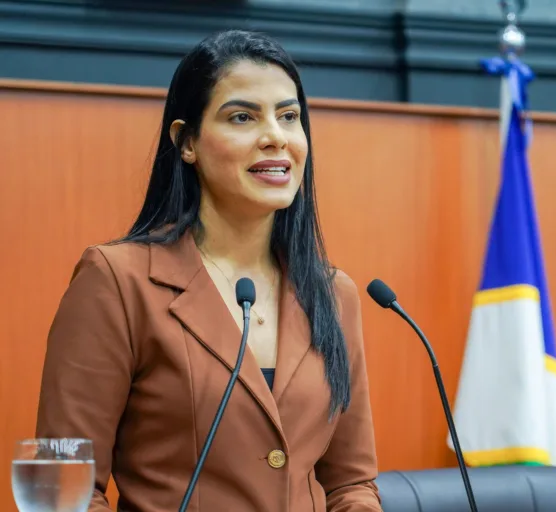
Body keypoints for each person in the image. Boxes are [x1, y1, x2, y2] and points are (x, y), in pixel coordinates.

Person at [35, 29, 382, 511]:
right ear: (186, 142)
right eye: (243, 117)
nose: (275, 137)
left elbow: (350, 485)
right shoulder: (116, 281)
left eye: (289, 117)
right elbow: (62, 491)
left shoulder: (333, 293)